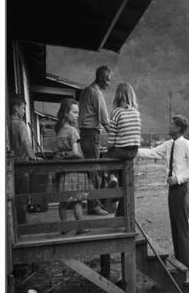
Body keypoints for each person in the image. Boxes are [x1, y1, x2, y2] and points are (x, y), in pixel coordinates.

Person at [137, 115, 189, 270]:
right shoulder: (168, 144)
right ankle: (180, 261)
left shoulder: (186, 145)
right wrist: (134, 150)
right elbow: (152, 153)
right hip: (172, 190)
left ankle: (185, 264)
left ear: (178, 128)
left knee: (181, 226)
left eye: (171, 125)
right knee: (175, 224)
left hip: (182, 188)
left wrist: (178, 178)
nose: (168, 126)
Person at [78, 65, 112, 216]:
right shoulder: (96, 93)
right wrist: (116, 136)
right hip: (92, 134)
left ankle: (92, 202)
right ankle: (94, 206)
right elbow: (105, 120)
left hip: (84, 134)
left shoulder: (85, 91)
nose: (109, 83)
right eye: (107, 80)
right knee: (94, 171)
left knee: (90, 170)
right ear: (100, 78)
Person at [104, 82, 141, 216]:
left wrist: (109, 147)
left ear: (118, 97)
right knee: (127, 185)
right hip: (133, 151)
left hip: (120, 150)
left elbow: (112, 135)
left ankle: (112, 177)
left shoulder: (117, 112)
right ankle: (120, 215)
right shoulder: (136, 113)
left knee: (105, 158)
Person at [55, 98, 90, 235]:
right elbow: (75, 152)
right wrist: (80, 158)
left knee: (63, 201)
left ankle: (64, 227)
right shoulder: (73, 131)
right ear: (65, 113)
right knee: (77, 200)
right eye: (75, 112)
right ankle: (80, 227)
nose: (77, 115)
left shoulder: (59, 130)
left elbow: (58, 151)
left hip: (63, 171)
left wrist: (62, 155)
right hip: (75, 171)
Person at [8, 96, 37, 224]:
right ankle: (22, 224)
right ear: (16, 108)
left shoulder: (7, 123)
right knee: (22, 196)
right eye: (23, 108)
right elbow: (26, 143)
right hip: (21, 163)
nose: (24, 112)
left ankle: (13, 222)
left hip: (10, 165)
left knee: (12, 196)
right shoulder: (20, 124)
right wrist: (33, 157)